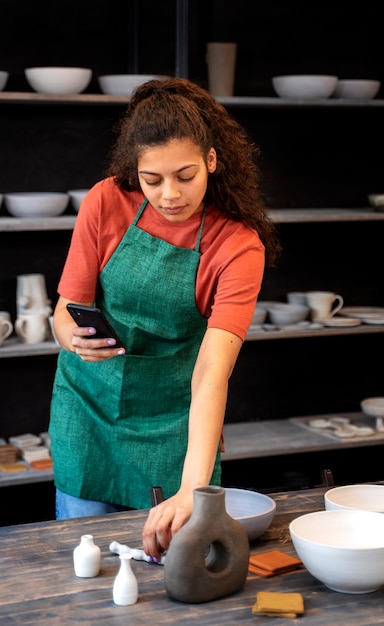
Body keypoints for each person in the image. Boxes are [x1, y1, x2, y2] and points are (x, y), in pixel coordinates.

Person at [49, 77, 281, 560]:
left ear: (212, 161)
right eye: (152, 180)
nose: (169, 194)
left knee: (173, 570)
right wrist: (74, 339)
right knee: (87, 569)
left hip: (175, 421)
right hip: (88, 410)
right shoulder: (105, 201)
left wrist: (191, 487)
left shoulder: (237, 245)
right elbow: (62, 312)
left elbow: (212, 371)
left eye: (185, 175)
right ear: (136, 169)